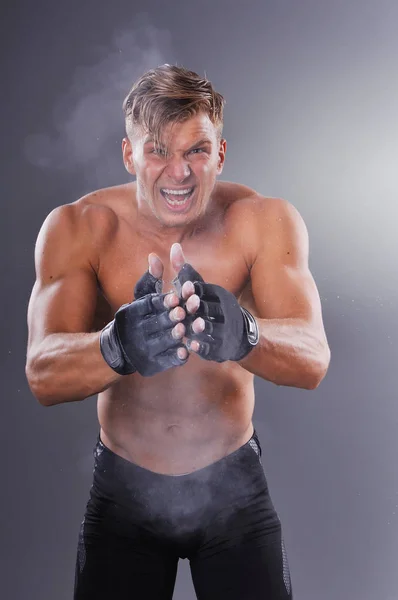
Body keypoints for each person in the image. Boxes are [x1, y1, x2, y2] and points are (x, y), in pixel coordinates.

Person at [25, 64, 330, 600]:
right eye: (158, 150)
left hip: (233, 492)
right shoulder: (80, 226)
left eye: (195, 150)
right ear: (128, 155)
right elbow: (42, 373)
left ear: (220, 154)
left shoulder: (263, 221)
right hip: (124, 496)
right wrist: (115, 346)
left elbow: (313, 359)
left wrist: (246, 335)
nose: (179, 172)